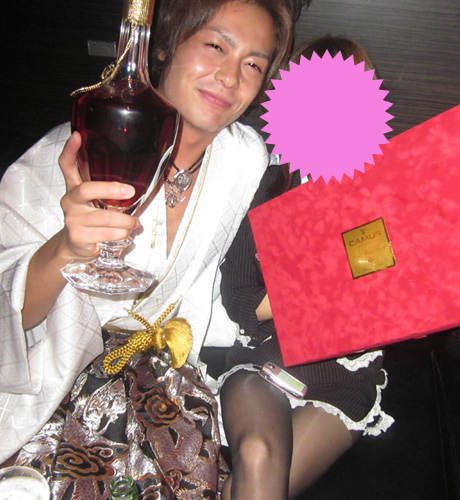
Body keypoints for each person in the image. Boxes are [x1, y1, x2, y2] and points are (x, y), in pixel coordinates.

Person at [0, 0, 294, 497]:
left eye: (252, 65)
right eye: (214, 46)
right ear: (164, 47)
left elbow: (232, 282)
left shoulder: (244, 159)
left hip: (163, 381)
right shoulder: (76, 152)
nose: (229, 77)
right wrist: (64, 249)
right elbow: (12, 315)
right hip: (54, 379)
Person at [219, 35, 395, 500]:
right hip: (264, 362)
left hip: (344, 377)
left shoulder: (379, 196)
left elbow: (382, 302)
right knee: (257, 452)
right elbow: (240, 299)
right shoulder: (270, 184)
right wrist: (322, 287)